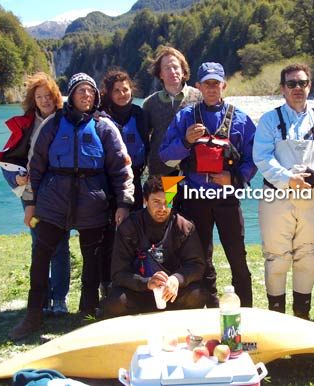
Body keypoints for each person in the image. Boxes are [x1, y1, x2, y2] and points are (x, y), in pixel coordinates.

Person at [8, 73, 134, 340]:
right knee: (41, 255)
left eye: (90, 91)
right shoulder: (53, 125)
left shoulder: (104, 127)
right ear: (71, 96)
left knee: (93, 259)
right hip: (54, 201)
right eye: (80, 91)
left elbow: (121, 169)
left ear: (96, 96)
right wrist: (31, 203)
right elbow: (36, 166)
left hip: (92, 202)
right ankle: (34, 314)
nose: (86, 95)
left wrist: (123, 203)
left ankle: (87, 313)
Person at [252, 64, 314, 319]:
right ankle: (276, 316)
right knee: (276, 257)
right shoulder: (269, 120)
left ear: (309, 87)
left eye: (302, 83)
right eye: (291, 84)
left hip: (313, 198)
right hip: (276, 197)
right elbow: (261, 156)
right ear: (282, 89)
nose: (297, 88)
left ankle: (302, 316)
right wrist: (287, 178)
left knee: (307, 256)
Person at [159, 62, 257, 307]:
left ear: (223, 85)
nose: (212, 88)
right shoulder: (185, 117)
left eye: (216, 83)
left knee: (237, 257)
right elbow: (166, 157)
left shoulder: (241, 119)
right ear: (198, 86)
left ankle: (245, 309)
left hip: (227, 198)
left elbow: (254, 157)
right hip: (194, 198)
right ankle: (210, 304)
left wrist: (234, 179)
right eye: (207, 84)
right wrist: (185, 141)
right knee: (201, 256)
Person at [0, 72, 71, 317]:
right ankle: (43, 296)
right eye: (39, 97)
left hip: (61, 197)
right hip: (34, 198)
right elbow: (9, 161)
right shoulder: (26, 126)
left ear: (56, 96)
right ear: (33, 100)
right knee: (39, 244)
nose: (45, 101)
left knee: (60, 246)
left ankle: (59, 298)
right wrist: (18, 182)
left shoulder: (66, 119)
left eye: (48, 96)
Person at [102, 176, 209, 317]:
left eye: (167, 202)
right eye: (156, 202)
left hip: (171, 292)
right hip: (139, 291)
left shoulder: (184, 226)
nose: (163, 208)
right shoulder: (129, 227)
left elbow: (196, 265)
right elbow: (118, 273)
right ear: (146, 201)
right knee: (115, 302)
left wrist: (177, 279)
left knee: (198, 294)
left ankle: (175, 321)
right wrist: (146, 283)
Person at [98, 69, 149, 299]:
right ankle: (105, 284)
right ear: (108, 93)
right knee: (107, 235)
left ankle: (133, 281)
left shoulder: (140, 114)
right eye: (116, 91)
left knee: (133, 232)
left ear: (132, 90)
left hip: (134, 181)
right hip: (106, 184)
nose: (122, 94)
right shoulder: (100, 116)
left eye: (125, 89)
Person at [143, 46, 201, 176]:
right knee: (167, 198)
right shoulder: (150, 103)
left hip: (193, 170)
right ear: (160, 74)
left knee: (190, 197)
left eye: (175, 67)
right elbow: (143, 138)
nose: (172, 71)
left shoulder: (199, 97)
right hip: (161, 171)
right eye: (167, 68)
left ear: (183, 71)